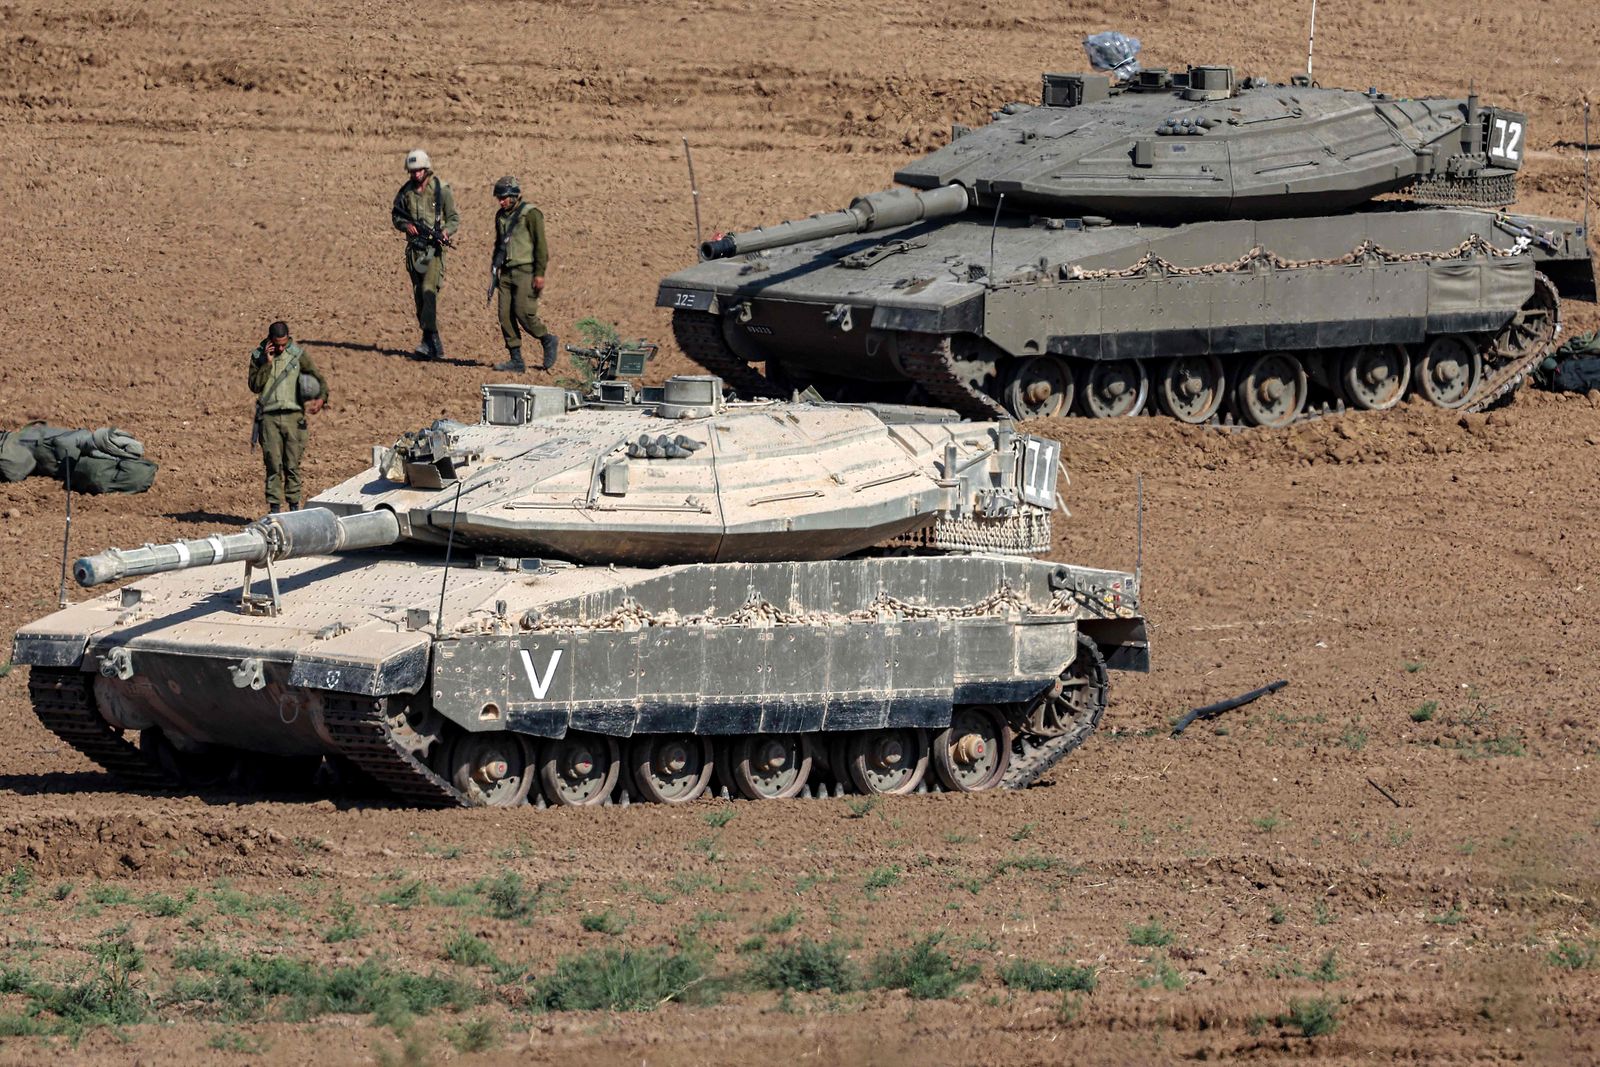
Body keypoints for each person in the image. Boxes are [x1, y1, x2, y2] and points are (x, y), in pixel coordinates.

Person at [248, 321, 327, 514]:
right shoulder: (258, 356)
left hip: (294, 418)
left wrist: (321, 398)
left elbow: (318, 378)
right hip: (269, 419)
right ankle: (274, 511)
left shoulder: (298, 355)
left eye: (284, 344)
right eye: (277, 345)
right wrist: (266, 363)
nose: (281, 348)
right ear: (270, 341)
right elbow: (254, 385)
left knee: (292, 465)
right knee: (273, 465)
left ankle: (294, 510)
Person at [391, 148, 460, 361]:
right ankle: (433, 340)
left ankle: (425, 342)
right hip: (415, 251)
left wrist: (445, 232)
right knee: (420, 297)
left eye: (419, 170)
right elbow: (396, 216)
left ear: (426, 169)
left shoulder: (441, 189)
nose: (416, 174)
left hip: (434, 251)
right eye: (412, 171)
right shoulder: (405, 192)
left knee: (429, 291)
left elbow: (454, 218)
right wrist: (406, 225)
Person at [489, 175, 558, 372]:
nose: (501, 202)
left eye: (504, 197)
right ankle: (516, 359)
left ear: (514, 195)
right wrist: (495, 268)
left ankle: (547, 338)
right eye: (499, 198)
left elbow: (541, 246)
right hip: (506, 272)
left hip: (526, 271)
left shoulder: (531, 214)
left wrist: (539, 273)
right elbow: (499, 244)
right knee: (504, 315)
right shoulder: (500, 216)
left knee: (523, 313)